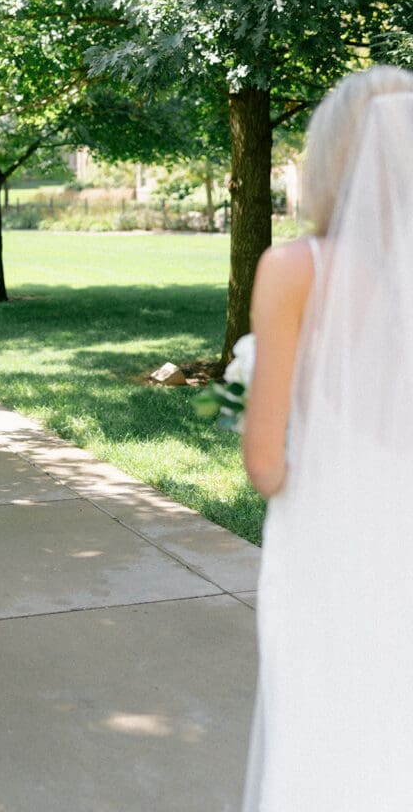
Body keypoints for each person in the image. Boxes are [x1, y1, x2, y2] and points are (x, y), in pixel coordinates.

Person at [241, 65, 413, 810]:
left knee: (327, 728)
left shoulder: (293, 270)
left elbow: (267, 466)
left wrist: (247, 400)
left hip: (330, 543)